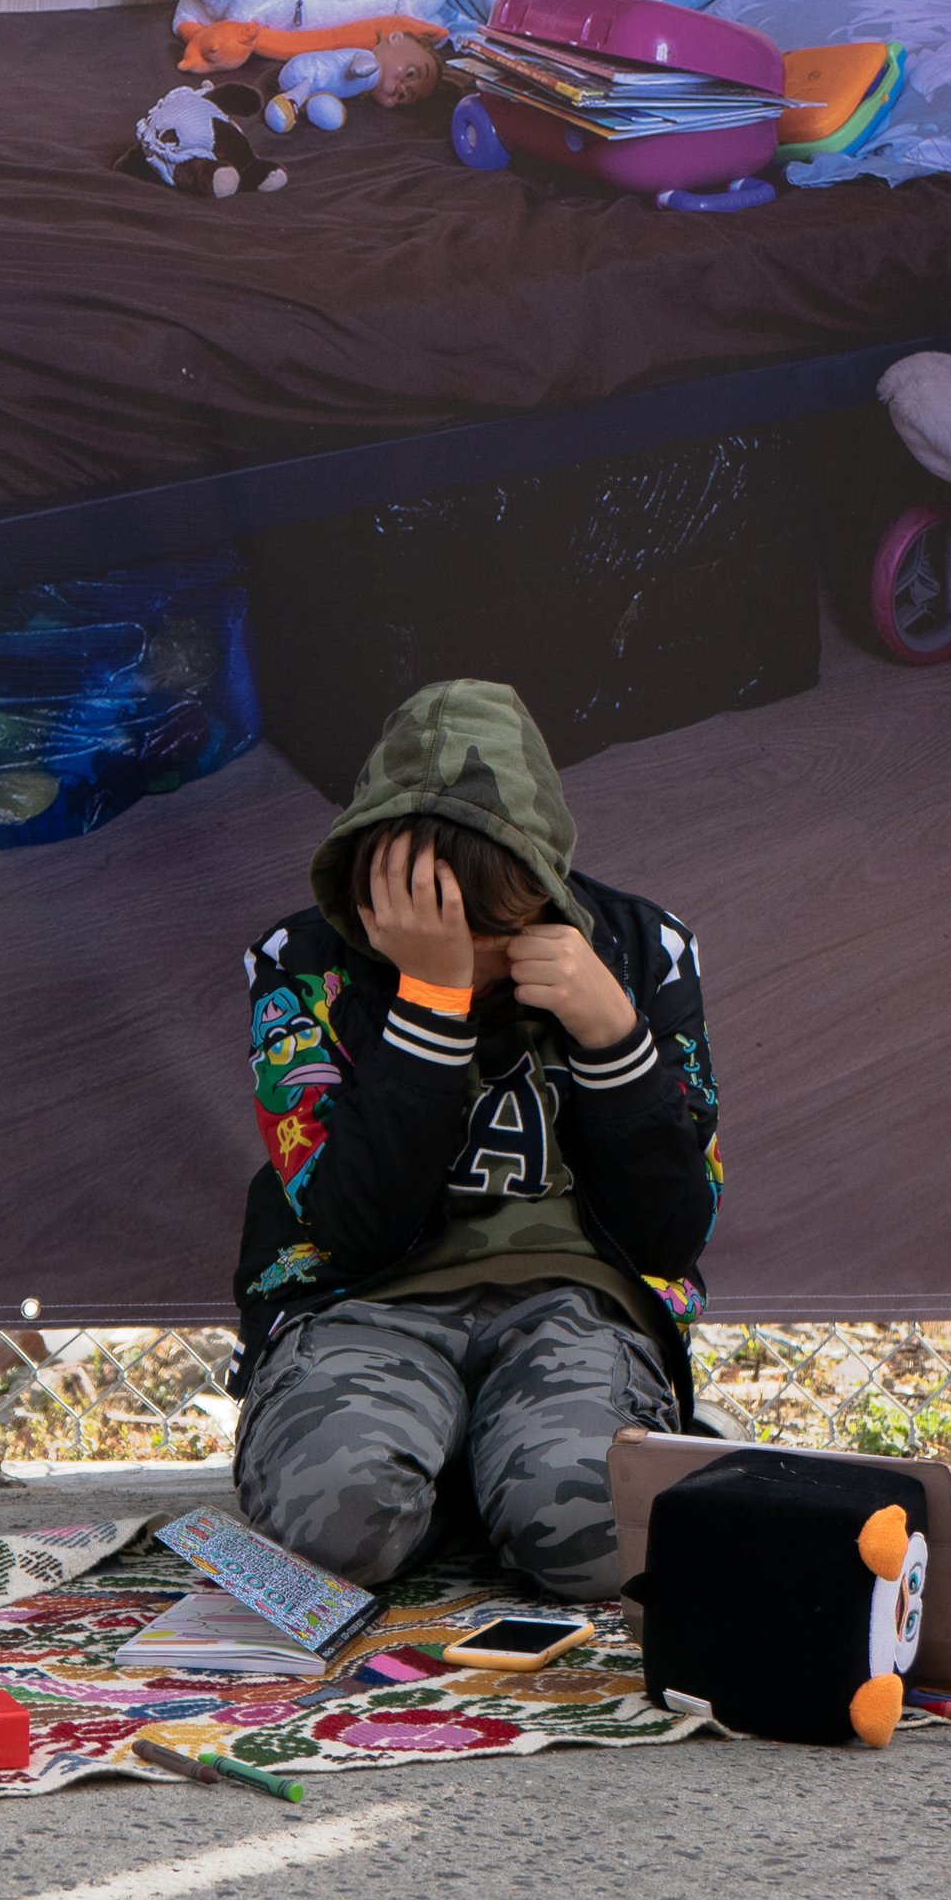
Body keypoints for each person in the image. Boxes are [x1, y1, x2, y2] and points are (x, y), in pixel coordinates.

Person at [230, 677, 720, 1600]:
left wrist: (615, 1035)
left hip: (575, 1302)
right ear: (370, 896)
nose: (482, 959)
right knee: (336, 1534)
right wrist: (431, 999)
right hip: (362, 1302)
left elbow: (671, 1232)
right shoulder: (300, 968)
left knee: (593, 1545)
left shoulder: (644, 951)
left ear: (543, 881)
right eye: (429, 925)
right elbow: (352, 1229)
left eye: (499, 929)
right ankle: (449, 1463)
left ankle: (498, 1459)